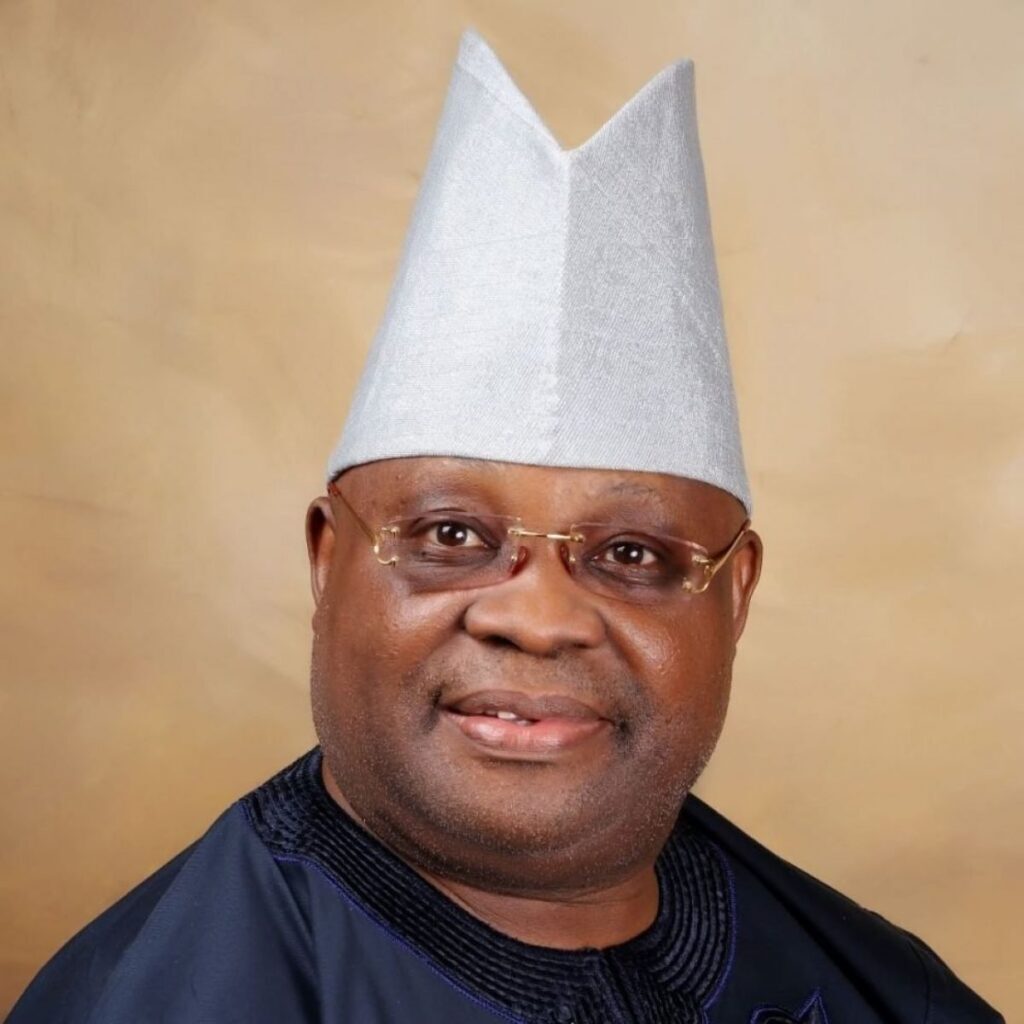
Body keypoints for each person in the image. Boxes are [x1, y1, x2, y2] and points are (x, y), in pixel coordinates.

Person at [8, 28, 1002, 1024]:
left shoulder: (891, 995)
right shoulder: (151, 1000)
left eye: (630, 553)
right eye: (450, 537)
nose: (538, 617)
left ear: (735, 594)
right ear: (327, 558)